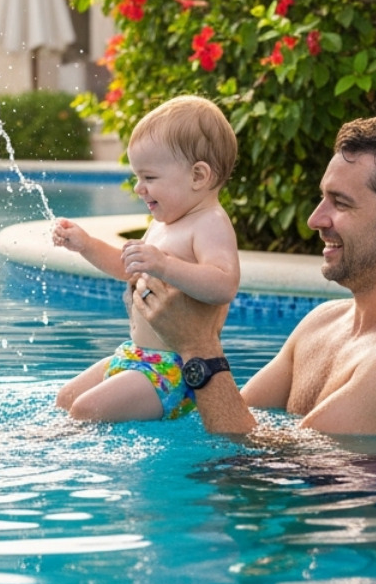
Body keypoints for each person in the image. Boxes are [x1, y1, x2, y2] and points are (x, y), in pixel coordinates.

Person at [133, 114, 376, 436]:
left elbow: (277, 470)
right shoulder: (322, 323)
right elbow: (234, 419)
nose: (315, 219)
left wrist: (196, 344)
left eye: (340, 203)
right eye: (322, 198)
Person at [51, 95, 241, 421]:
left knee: (87, 409)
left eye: (149, 178)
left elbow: (224, 284)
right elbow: (127, 268)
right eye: (137, 177)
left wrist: (165, 265)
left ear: (198, 176)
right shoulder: (163, 224)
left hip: (174, 369)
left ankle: (54, 450)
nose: (139, 188)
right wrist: (85, 245)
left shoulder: (210, 222)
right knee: (67, 398)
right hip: (136, 355)